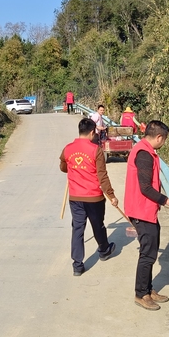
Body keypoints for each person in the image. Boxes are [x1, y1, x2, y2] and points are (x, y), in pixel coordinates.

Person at [124, 120, 169, 310]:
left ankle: (148, 289)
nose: (163, 143)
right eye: (164, 139)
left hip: (146, 210)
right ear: (159, 137)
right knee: (147, 255)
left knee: (150, 251)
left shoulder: (145, 150)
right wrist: (168, 201)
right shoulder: (144, 155)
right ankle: (140, 294)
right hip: (141, 210)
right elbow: (145, 188)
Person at [59, 117, 118, 276]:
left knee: (77, 229)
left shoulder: (68, 148)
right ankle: (104, 250)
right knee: (97, 224)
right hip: (93, 197)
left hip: (75, 197)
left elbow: (63, 167)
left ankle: (77, 265)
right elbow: (102, 176)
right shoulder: (95, 150)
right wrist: (111, 195)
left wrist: (75, 168)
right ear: (92, 132)